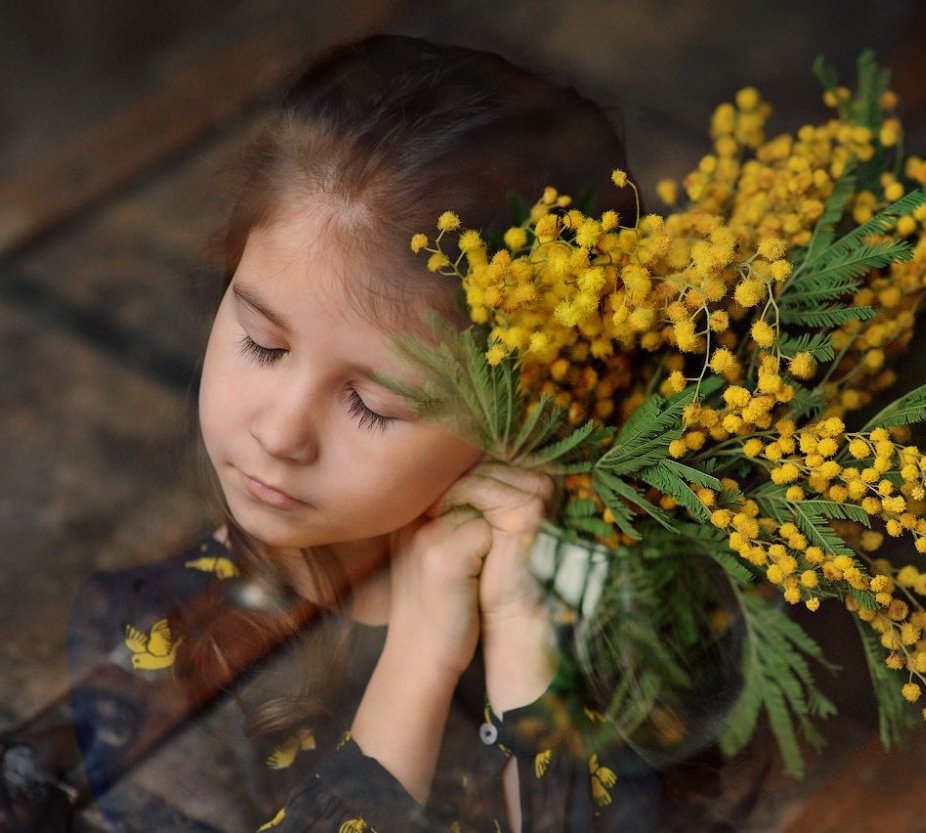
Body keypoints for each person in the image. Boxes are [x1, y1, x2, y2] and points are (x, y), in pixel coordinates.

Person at [63, 34, 660, 833]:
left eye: (374, 405)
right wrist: (419, 655)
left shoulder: (583, 602)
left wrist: (520, 638)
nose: (279, 432)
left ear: (523, 417)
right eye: (262, 345)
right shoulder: (158, 641)